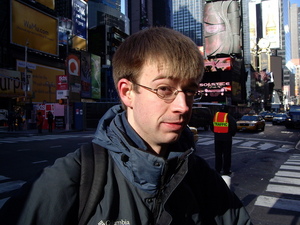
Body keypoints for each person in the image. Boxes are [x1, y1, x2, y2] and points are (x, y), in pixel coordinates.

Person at [0, 27, 251, 225]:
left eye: (189, 91)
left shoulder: (200, 178)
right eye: (164, 89)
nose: (183, 106)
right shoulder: (72, 179)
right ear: (127, 92)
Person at [211, 105, 237, 176]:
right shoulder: (228, 116)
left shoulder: (215, 116)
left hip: (217, 138)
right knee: (226, 155)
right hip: (227, 139)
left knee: (218, 155)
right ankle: (226, 170)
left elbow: (211, 126)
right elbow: (233, 126)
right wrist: (230, 134)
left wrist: (217, 133)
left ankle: (218, 169)